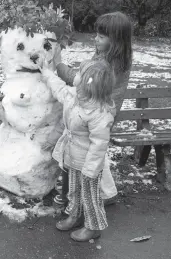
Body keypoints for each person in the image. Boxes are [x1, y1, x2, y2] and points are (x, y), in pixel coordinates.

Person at [51, 11, 133, 207]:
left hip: (94, 115)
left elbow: (77, 80)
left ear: (116, 41)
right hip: (104, 113)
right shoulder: (116, 57)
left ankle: (75, 198)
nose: (95, 39)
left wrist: (58, 64)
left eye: (101, 37)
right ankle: (106, 193)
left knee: (81, 153)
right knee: (95, 153)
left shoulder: (105, 64)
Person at [40, 58, 116, 241]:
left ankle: (93, 226)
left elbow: (99, 145)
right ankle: (74, 216)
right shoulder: (75, 96)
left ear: (89, 84)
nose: (76, 75)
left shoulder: (99, 113)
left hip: (88, 165)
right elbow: (59, 88)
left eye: (80, 73)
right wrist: (46, 72)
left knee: (90, 197)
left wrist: (91, 170)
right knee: (73, 191)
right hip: (72, 157)